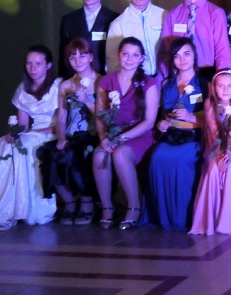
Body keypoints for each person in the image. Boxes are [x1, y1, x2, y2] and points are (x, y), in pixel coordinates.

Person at [93, 37, 159, 230]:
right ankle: (107, 208)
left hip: (140, 134)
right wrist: (103, 137)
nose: (130, 59)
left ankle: (134, 207)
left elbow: (149, 121)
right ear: (118, 55)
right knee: (99, 154)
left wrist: (122, 138)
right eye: (125, 54)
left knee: (120, 154)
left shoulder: (149, 83)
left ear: (142, 58)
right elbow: (100, 114)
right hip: (113, 133)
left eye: (135, 55)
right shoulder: (106, 81)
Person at [38, 39, 99, 225]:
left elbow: (105, 116)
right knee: (50, 155)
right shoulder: (65, 85)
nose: (78, 61)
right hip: (71, 135)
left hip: (92, 135)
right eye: (73, 57)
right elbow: (62, 116)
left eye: (82, 55)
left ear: (91, 57)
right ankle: (69, 202)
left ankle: (87, 202)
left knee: (76, 155)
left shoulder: (102, 81)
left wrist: (86, 100)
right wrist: (61, 137)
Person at [147, 37, 206, 231]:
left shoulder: (205, 84)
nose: (182, 59)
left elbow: (214, 121)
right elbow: (161, 115)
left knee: (181, 161)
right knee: (157, 158)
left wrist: (192, 118)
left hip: (194, 136)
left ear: (194, 55)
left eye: (186, 54)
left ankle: (184, 217)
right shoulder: (166, 84)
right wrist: (161, 124)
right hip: (170, 136)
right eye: (177, 56)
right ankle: (164, 217)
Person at [0, 46, 60, 230]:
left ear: (48, 65)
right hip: (32, 132)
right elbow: (24, 125)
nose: (33, 68)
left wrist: (37, 133)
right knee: (6, 145)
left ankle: (31, 209)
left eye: (38, 63)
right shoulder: (23, 89)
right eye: (29, 63)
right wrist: (15, 133)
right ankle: (11, 206)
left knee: (26, 146)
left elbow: (64, 122)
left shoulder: (59, 86)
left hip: (53, 132)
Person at [190, 69, 231, 236]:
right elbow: (214, 132)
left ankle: (230, 221)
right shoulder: (210, 104)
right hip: (214, 147)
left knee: (230, 166)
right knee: (214, 168)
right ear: (214, 88)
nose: (225, 90)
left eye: (230, 86)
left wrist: (228, 154)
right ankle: (209, 220)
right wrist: (220, 155)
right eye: (221, 86)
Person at [159, 0, 231, 81]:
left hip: (206, 72)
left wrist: (223, 77)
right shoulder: (172, 14)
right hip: (179, 74)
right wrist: (165, 78)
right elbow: (165, 50)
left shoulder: (215, 13)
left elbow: (222, 48)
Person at [106, 0, 165, 76]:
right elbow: (113, 61)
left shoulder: (165, 16)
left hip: (164, 78)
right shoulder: (118, 24)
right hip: (135, 80)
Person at [58, 0, 117, 77]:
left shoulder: (114, 18)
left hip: (106, 78)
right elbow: (64, 55)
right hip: (76, 79)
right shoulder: (68, 20)